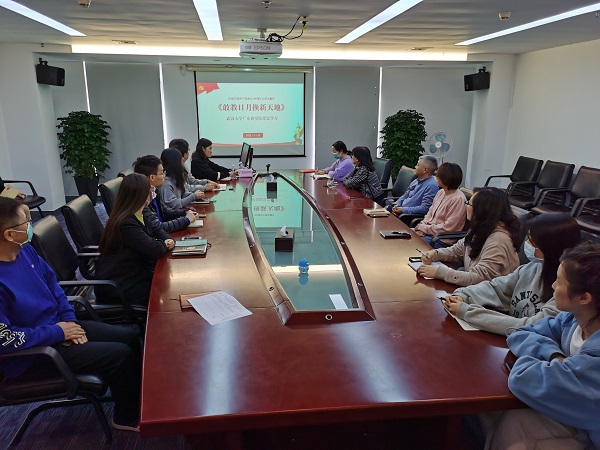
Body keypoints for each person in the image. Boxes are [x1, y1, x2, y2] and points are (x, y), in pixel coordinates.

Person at [0, 197, 142, 431]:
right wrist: (58, 332)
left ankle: (138, 398)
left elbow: (54, 287)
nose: (30, 226)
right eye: (26, 222)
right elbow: (5, 340)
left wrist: (69, 321)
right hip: (33, 354)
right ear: (9, 234)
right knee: (121, 355)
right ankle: (126, 418)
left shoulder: (25, 252)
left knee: (130, 337)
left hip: (58, 328)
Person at [486, 242, 600, 450]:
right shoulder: (570, 320)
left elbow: (522, 379)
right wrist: (554, 355)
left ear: (584, 298)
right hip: (575, 416)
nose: (553, 286)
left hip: (590, 432)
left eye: (559, 282)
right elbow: (521, 333)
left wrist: (547, 365)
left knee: (516, 436)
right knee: (513, 423)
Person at [442, 213, 581, 334]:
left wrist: (466, 312)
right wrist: (464, 295)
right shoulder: (531, 268)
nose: (527, 244)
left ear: (550, 248)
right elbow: (495, 287)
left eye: (532, 242)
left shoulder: (566, 291)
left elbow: (529, 327)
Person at [95, 174, 174, 307]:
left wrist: (167, 239)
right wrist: (163, 244)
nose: (153, 192)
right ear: (144, 195)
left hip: (134, 274)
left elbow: (159, 231)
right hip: (119, 285)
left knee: (167, 286)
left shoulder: (139, 213)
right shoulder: (126, 223)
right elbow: (155, 249)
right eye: (151, 190)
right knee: (165, 294)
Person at [417, 187, 520, 286]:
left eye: (469, 204)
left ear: (481, 210)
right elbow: (457, 251)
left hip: (490, 294)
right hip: (473, 288)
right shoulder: (481, 227)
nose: (466, 206)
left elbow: (480, 278)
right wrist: (436, 254)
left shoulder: (498, 241)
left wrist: (440, 273)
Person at [133, 155, 199, 233]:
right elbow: (158, 227)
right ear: (152, 177)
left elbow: (166, 212)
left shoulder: (155, 191)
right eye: (162, 173)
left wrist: (184, 213)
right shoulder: (141, 200)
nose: (164, 176)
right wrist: (186, 220)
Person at [413, 162, 467, 246]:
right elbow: (430, 213)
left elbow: (448, 228)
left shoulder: (458, 199)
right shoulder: (441, 192)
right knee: (403, 236)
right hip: (429, 233)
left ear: (446, 178)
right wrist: (422, 227)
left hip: (441, 239)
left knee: (410, 244)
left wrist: (423, 228)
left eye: (438, 175)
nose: (436, 177)